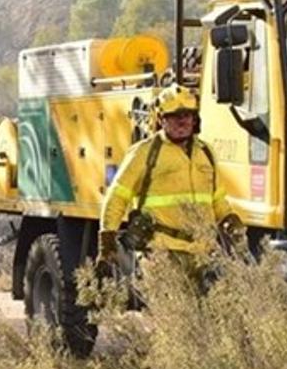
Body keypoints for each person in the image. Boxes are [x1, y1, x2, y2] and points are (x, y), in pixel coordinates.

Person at [97, 84, 243, 285]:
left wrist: (229, 219)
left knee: (206, 314)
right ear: (161, 120)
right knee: (170, 312)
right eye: (174, 116)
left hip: (202, 251)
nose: (182, 121)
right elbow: (117, 196)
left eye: (187, 115)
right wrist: (107, 241)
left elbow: (216, 197)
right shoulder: (144, 153)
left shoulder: (206, 152)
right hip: (161, 251)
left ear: (195, 119)